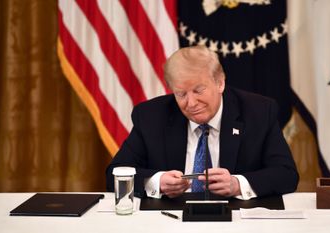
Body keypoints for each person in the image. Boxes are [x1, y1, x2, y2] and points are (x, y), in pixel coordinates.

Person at [106, 45, 298, 200]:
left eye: (198, 91)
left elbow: (286, 174)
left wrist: (237, 184)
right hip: (170, 223)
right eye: (181, 94)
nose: (191, 103)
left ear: (220, 83)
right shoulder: (150, 116)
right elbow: (114, 174)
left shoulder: (258, 112)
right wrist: (156, 182)